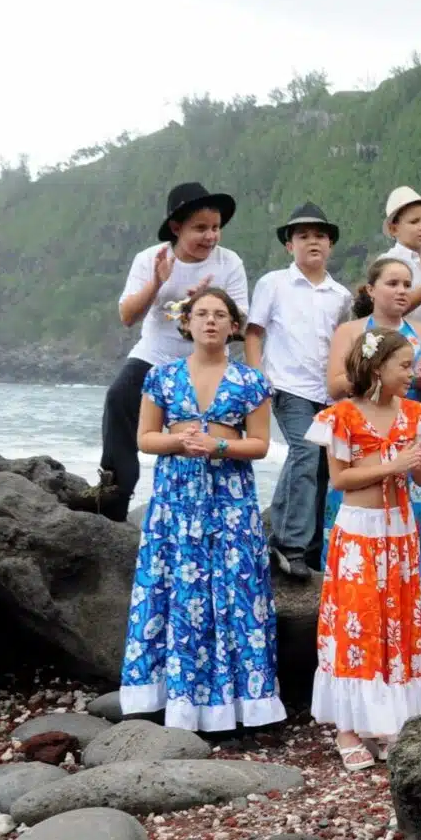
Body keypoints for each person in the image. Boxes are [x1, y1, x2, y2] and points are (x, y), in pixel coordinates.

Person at [121, 286, 283, 732]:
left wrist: (219, 445)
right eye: (201, 314)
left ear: (233, 327)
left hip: (230, 501)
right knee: (173, 590)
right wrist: (179, 443)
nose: (210, 321)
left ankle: (240, 706)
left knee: (235, 591)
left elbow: (261, 445)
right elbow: (144, 438)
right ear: (187, 322)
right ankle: (168, 701)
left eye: (219, 315)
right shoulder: (161, 376)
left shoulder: (252, 380)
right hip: (175, 501)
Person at [308, 328, 421, 770]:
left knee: (395, 623)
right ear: (377, 367)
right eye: (404, 366)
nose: (413, 373)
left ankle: (385, 722)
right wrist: (392, 465)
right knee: (355, 624)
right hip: (359, 531)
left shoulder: (417, 415)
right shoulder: (341, 417)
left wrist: (417, 467)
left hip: (401, 531)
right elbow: (341, 479)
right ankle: (347, 726)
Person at [99, 181, 250, 519]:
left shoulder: (229, 263)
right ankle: (114, 499)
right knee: (118, 400)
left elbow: (240, 320)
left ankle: (217, 511)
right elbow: (127, 316)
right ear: (176, 227)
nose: (210, 236)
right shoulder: (151, 260)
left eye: (215, 228)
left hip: (205, 362)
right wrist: (158, 284)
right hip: (154, 357)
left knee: (211, 430)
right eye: (200, 228)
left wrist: (206, 302)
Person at [245, 203, 350, 578]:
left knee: (321, 465)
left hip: (328, 393)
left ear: (331, 245)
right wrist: (258, 380)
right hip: (286, 387)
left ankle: (309, 547)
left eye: (319, 236)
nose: (312, 242)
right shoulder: (273, 283)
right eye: (302, 236)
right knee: (305, 451)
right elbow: (254, 333)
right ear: (290, 246)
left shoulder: (341, 295)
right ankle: (289, 545)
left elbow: (343, 344)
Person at [325, 258, 421, 586]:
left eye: (408, 284)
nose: (402, 290)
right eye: (393, 283)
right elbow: (334, 386)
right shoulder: (350, 331)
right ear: (371, 290)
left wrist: (420, 375)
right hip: (362, 436)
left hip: (409, 434)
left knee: (411, 545)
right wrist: (374, 374)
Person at [378, 186, 421, 338]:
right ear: (394, 229)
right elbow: (388, 312)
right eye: (414, 222)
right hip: (405, 354)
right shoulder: (388, 262)